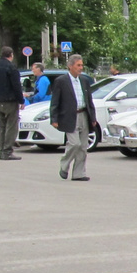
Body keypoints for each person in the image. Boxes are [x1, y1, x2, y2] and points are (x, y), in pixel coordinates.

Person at [50, 53, 97, 181]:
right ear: (70, 66)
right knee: (74, 143)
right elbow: (55, 101)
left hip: (84, 115)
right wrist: (53, 119)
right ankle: (64, 165)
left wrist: (93, 118)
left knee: (83, 146)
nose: (81, 68)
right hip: (70, 116)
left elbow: (89, 100)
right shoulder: (61, 81)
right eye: (78, 65)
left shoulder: (84, 81)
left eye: (82, 65)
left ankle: (78, 173)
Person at [0, 47, 23, 160]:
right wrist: (21, 100)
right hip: (10, 100)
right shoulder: (11, 67)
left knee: (2, 126)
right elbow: (16, 85)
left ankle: (1, 150)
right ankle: (7, 151)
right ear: (11, 55)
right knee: (11, 126)